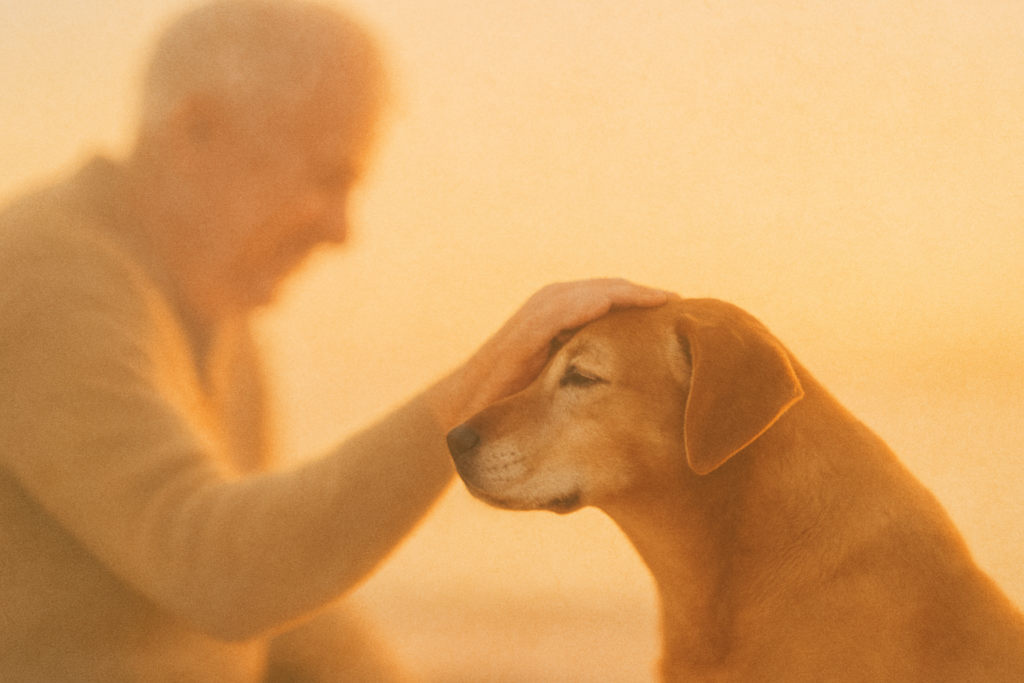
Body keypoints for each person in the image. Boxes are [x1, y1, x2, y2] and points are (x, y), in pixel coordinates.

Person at [0, 1, 667, 681]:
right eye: (327, 178)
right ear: (195, 132)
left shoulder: (210, 314)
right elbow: (223, 570)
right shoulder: (40, 279)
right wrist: (475, 388)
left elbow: (285, 598)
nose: (341, 229)